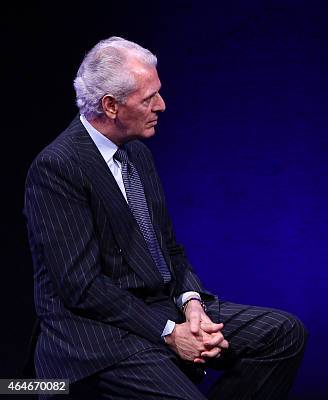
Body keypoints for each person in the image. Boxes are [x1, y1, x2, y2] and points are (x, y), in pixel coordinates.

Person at [24, 37, 306, 399]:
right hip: (97, 334)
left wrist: (192, 304)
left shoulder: (137, 155)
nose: (162, 105)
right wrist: (171, 332)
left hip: (160, 307)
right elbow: (82, 286)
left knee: (283, 334)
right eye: (148, 98)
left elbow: (169, 249)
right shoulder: (58, 167)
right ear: (110, 105)